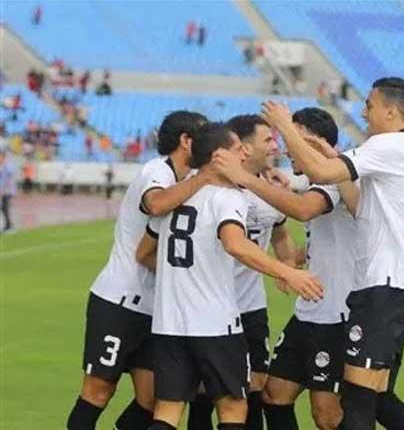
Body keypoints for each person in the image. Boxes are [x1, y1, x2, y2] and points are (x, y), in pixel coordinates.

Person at [248, 76, 404, 430]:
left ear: (391, 112)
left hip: (377, 288)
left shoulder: (390, 145)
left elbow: (316, 183)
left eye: (370, 105)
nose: (364, 112)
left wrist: (284, 126)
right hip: (376, 287)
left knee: (353, 404)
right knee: (364, 397)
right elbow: (360, 207)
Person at [135, 122, 323, 430]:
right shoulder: (228, 197)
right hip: (214, 323)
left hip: (169, 323)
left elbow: (144, 252)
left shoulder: (176, 195)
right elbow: (235, 244)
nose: (244, 154)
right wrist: (289, 272)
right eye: (238, 149)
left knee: (167, 412)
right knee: (234, 408)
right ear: (218, 156)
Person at [65, 111, 213, 430]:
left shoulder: (188, 179)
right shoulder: (156, 170)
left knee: (152, 400)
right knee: (98, 390)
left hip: (156, 308)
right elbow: (156, 204)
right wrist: (204, 178)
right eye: (203, 137)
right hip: (119, 301)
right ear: (186, 141)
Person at [213, 108, 355, 430]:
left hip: (337, 314)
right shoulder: (312, 182)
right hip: (310, 311)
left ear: (317, 143)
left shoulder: (336, 182)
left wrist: (249, 180)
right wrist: (292, 261)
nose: (286, 148)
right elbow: (316, 239)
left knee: (326, 414)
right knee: (274, 394)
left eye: (293, 139)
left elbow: (303, 210)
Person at [185, 114, 297, 430]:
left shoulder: (271, 189)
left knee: (255, 386)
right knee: (205, 391)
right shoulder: (210, 186)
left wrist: (288, 264)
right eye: (268, 140)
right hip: (209, 306)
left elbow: (279, 234)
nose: (274, 146)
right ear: (244, 147)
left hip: (250, 306)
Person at [0, 150, 17, 232]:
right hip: (3, 190)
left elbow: (8, 179)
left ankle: (9, 226)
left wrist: (3, 189)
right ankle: (7, 226)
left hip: (8, 190)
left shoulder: (8, 165)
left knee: (5, 208)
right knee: (3, 208)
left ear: (3, 157)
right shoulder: (2, 166)